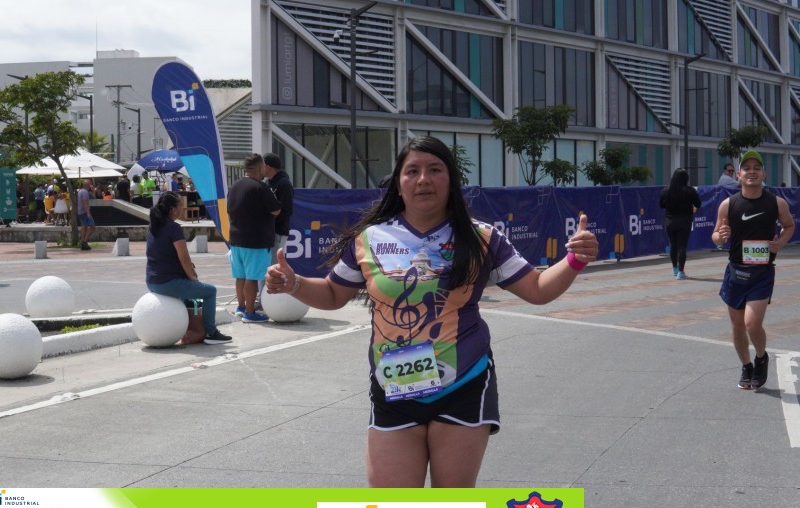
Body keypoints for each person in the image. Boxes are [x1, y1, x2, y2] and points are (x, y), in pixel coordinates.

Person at [264, 136, 599, 487]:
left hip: (463, 383)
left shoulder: (482, 238)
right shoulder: (369, 239)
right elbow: (333, 294)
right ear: (399, 184)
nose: (423, 179)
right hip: (394, 388)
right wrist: (294, 283)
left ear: (451, 179)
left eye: (435, 170)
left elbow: (538, 289)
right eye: (412, 171)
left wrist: (575, 259)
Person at [712, 150, 795, 391]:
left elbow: (789, 226)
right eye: (746, 168)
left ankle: (761, 357)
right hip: (735, 271)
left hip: (762, 273)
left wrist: (780, 242)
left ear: (763, 174)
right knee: (738, 326)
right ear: (738, 175)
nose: (751, 172)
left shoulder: (776, 203)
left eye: (756, 168)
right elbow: (716, 236)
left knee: (751, 323)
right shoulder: (728, 205)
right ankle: (746, 366)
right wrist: (721, 237)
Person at [145, 192, 232, 345]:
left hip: (152, 281)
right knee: (210, 291)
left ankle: (191, 329)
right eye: (180, 206)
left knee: (191, 294)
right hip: (167, 283)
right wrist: (193, 277)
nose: (182, 209)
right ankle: (211, 333)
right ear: (173, 210)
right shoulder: (174, 228)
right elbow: (184, 258)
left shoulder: (153, 227)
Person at [227, 153, 280, 323]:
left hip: (236, 239)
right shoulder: (261, 187)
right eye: (264, 166)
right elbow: (276, 210)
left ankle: (241, 307)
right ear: (259, 168)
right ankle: (250, 313)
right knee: (252, 278)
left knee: (240, 276)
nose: (265, 169)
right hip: (256, 241)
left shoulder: (234, 186)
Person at [257, 152, 294, 302]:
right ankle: (262, 298)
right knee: (263, 266)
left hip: (277, 231)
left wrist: (271, 218)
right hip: (266, 232)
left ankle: (271, 300)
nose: (260, 168)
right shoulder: (268, 183)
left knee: (274, 266)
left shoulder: (284, 184)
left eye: (261, 165)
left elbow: (286, 210)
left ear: (267, 166)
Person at [659, 168, 702, 280]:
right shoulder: (690, 190)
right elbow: (698, 204)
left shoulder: (666, 191)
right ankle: (681, 272)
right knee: (682, 246)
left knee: (673, 245)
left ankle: (674, 268)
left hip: (670, 221)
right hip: (685, 221)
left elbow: (661, 205)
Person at [77, 179, 96, 250]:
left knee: (84, 227)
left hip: (80, 212)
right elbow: (85, 202)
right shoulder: (85, 192)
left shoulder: (80, 191)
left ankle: (83, 242)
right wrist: (88, 213)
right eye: (90, 184)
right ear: (88, 185)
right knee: (92, 227)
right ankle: (85, 241)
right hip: (85, 212)